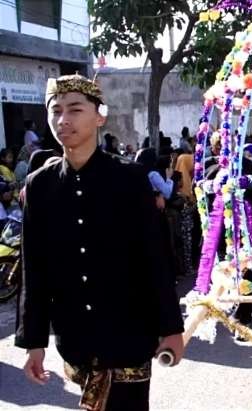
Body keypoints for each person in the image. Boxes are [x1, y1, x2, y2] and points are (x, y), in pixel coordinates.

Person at [15, 74, 184, 410]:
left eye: (75, 109)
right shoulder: (39, 186)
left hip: (130, 333)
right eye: (56, 110)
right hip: (75, 337)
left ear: (99, 115)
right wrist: (34, 342)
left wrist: (171, 327)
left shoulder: (130, 179)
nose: (64, 120)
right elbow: (33, 269)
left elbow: (155, 258)